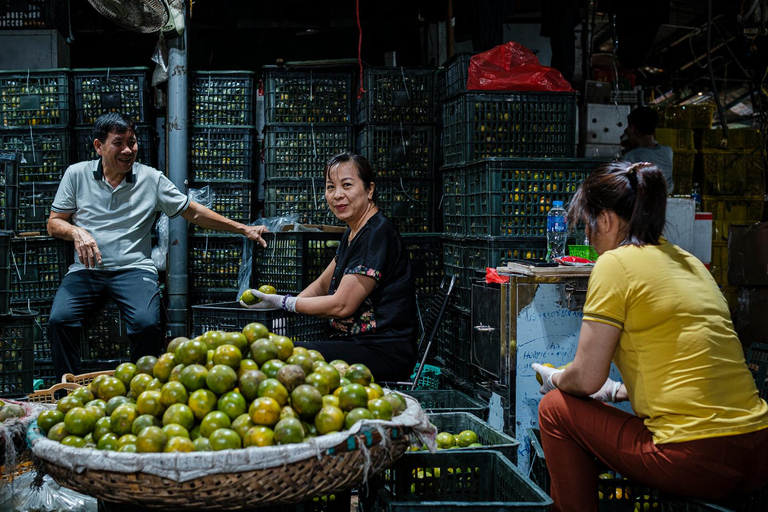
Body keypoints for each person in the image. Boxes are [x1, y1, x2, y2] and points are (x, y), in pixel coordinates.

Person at [531, 161, 768, 512]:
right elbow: (686, 362)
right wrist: (617, 390)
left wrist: (555, 377)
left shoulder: (615, 264)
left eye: (587, 226)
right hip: (758, 452)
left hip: (696, 457)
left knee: (554, 409)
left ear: (607, 220)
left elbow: (586, 378)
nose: (589, 239)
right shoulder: (688, 263)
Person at [47, 112, 267, 380]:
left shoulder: (151, 179)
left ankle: (142, 384)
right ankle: (66, 388)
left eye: (133, 142)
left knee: (146, 323)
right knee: (59, 320)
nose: (129, 150)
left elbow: (194, 212)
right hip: (86, 269)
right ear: (98, 146)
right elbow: (55, 223)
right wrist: (76, 231)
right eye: (119, 143)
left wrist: (243, 228)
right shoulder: (76, 174)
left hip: (132, 269)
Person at [241, 152, 417, 382]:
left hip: (382, 350)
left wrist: (286, 302)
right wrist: (281, 310)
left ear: (369, 189)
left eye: (347, 185)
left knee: (284, 357)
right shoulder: (354, 232)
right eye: (330, 187)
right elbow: (322, 284)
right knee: (278, 351)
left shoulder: (377, 235)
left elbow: (342, 305)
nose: (337, 195)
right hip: (354, 343)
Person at [621, 106, 674, 194]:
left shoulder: (631, 157)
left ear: (633, 128)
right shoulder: (668, 151)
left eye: (628, 128)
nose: (627, 132)